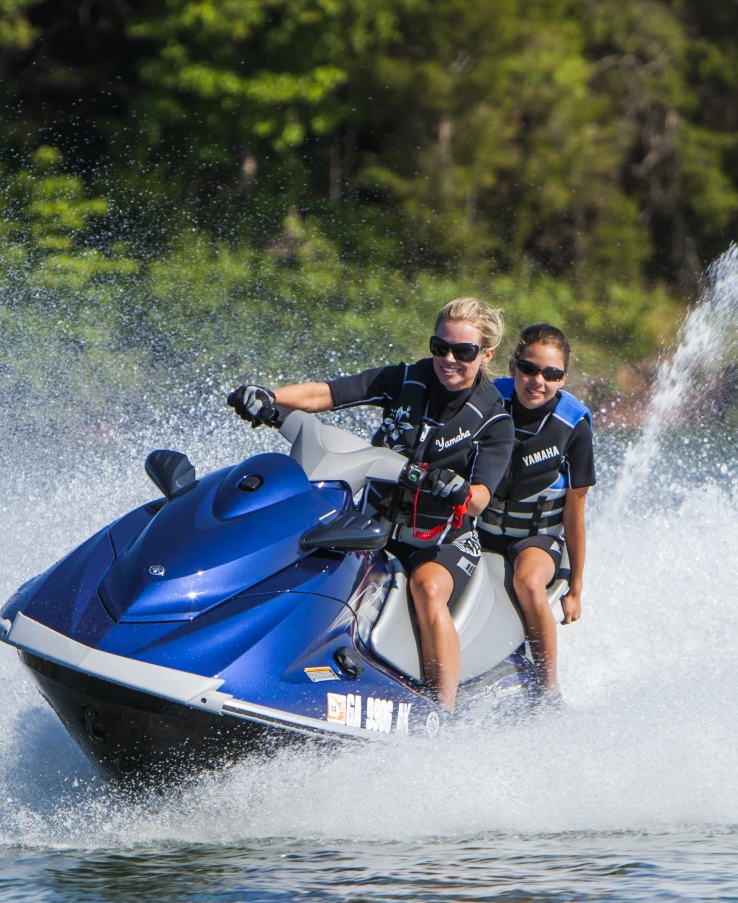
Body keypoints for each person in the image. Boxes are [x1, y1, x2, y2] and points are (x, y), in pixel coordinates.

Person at [226, 297, 514, 711]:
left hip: (439, 537)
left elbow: (480, 499)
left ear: (485, 355)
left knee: (428, 588)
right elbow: (328, 394)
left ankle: (443, 711)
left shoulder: (495, 421)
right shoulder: (406, 379)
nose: (448, 359)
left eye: (463, 352)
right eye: (440, 347)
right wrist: (269, 395)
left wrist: (459, 490)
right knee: (305, 550)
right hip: (373, 523)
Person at [477, 323, 594, 699]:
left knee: (527, 583)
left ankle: (547, 692)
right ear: (512, 367)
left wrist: (575, 588)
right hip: (478, 530)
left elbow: (575, 514)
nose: (537, 381)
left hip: (535, 538)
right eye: (529, 369)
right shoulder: (486, 400)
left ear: (563, 378)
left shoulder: (573, 424)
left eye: (551, 374)